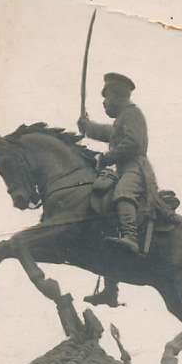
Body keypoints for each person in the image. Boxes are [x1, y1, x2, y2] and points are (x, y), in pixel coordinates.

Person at [77, 72, 157, 262]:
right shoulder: (122, 118)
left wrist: (108, 157)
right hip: (124, 169)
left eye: (107, 97)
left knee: (123, 193)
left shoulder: (132, 113)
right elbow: (108, 132)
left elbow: (133, 142)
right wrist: (87, 126)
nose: (104, 102)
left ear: (118, 95)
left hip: (135, 168)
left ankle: (131, 236)